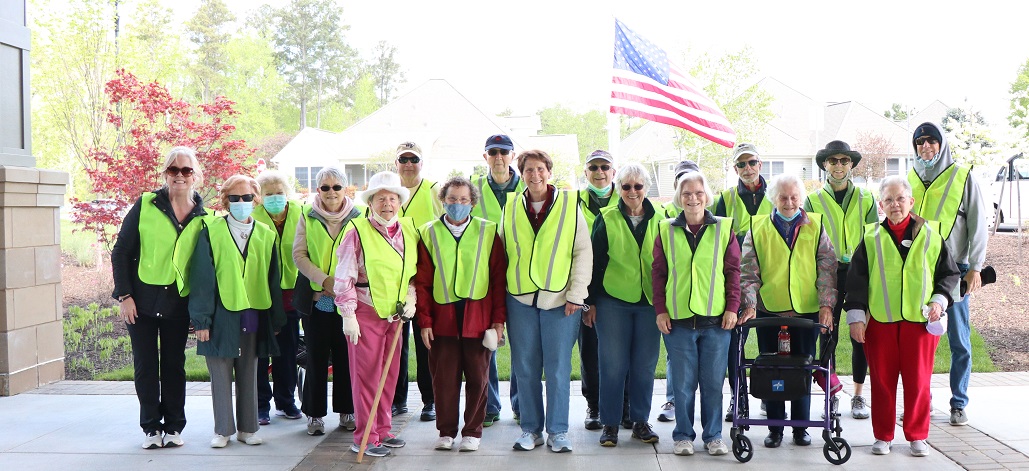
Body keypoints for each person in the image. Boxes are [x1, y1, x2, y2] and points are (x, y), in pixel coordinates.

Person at [844, 176, 960, 457]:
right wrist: (856, 317)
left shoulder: (932, 235)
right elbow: (856, 281)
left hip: (920, 324)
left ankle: (917, 436)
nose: (895, 204)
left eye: (900, 198)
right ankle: (883, 436)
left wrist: (939, 300)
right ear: (881, 205)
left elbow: (949, 274)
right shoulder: (870, 237)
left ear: (911, 201)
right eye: (888, 200)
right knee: (882, 382)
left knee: (918, 381)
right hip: (880, 323)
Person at [111, 146, 208, 449]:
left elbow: (205, 267)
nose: (180, 175)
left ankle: (174, 426)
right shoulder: (146, 204)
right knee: (145, 365)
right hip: (140, 299)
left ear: (196, 175)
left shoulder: (205, 216)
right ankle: (151, 427)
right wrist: (124, 295)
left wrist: (201, 309)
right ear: (165, 173)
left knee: (174, 365)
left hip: (179, 302)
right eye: (173, 170)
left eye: (186, 170)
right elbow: (121, 252)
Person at [182, 174, 287, 448]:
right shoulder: (212, 230)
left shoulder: (265, 234)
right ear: (226, 201)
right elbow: (201, 279)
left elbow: (273, 278)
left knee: (249, 370)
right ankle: (223, 430)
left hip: (253, 310)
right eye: (235, 198)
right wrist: (201, 320)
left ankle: (248, 429)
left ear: (256, 199)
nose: (242, 202)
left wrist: (276, 318)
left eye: (247, 197)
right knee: (219, 370)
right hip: (220, 313)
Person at [502, 150, 592, 453]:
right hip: (520, 298)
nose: (535, 175)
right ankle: (531, 429)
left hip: (560, 300)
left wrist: (577, 296)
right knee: (525, 368)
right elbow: (503, 250)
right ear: (522, 173)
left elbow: (582, 252)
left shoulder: (569, 204)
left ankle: (558, 431)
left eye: (540, 169)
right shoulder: (511, 205)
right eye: (529, 170)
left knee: (557, 369)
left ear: (549, 172)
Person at [739, 173, 837, 449]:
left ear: (801, 198)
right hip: (770, 310)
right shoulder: (758, 227)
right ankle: (775, 428)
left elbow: (827, 268)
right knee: (773, 369)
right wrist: (749, 304)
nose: (789, 202)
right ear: (774, 198)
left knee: (803, 368)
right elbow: (748, 271)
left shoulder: (815, 226)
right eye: (783, 197)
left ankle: (800, 428)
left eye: (794, 197)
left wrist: (826, 305)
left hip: (806, 312)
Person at [413, 176, 507, 452]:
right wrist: (425, 322)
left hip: (478, 317)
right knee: (444, 379)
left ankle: (472, 431)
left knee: (479, 378)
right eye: (452, 199)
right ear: (443, 200)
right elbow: (422, 282)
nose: (457, 204)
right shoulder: (427, 232)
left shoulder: (488, 231)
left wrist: (498, 320)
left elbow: (498, 280)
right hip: (442, 318)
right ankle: (446, 431)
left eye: (463, 200)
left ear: (472, 203)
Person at [652, 168, 741, 457]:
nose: (693, 199)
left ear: (707, 196)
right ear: (679, 197)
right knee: (683, 385)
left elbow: (733, 273)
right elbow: (658, 274)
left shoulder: (724, 229)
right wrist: (661, 310)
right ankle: (682, 437)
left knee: (714, 383)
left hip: (716, 321)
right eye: (687, 193)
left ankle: (714, 436)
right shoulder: (666, 230)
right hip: (677, 322)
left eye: (698, 193)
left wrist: (732, 308)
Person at [907, 122, 988, 426]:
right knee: (920, 342)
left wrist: (976, 268)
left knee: (959, 341)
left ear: (942, 144)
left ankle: (958, 403)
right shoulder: (910, 178)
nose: (926, 147)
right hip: (919, 272)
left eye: (932, 141)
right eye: (920, 142)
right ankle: (921, 403)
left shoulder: (964, 177)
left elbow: (979, 225)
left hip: (956, 270)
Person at [334, 171, 418, 458]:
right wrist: (348, 314)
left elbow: (411, 272)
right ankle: (364, 436)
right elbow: (343, 277)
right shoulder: (356, 231)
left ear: (399, 202)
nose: (388, 204)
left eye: (392, 198)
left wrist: (411, 296)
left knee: (389, 375)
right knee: (367, 377)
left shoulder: (407, 230)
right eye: (381, 198)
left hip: (395, 315)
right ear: (370, 202)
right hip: (365, 312)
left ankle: (382, 429)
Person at [585, 163, 662, 447]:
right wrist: (589, 303)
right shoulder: (606, 218)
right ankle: (610, 424)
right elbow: (593, 263)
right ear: (619, 188)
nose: (632, 192)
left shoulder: (663, 218)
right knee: (612, 365)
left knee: (644, 365)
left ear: (646, 188)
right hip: (612, 302)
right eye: (627, 186)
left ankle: (641, 421)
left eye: (638, 186)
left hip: (650, 304)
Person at [803, 140, 877, 420]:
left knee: (860, 334)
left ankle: (858, 395)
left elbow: (873, 239)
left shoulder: (867, 199)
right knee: (826, 335)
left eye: (844, 161)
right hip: (828, 273)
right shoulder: (812, 200)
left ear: (851, 165)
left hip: (859, 273)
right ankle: (831, 394)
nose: (838, 166)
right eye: (832, 161)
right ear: (824, 165)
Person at [292, 167, 362, 436]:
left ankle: (348, 410)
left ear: (346, 189)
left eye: (336, 187)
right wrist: (325, 281)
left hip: (350, 301)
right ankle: (314, 415)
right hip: (316, 299)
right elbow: (299, 255)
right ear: (317, 190)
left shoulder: (359, 217)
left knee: (346, 357)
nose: (331, 192)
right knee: (315, 358)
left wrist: (343, 284)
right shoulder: (306, 216)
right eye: (325, 187)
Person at [714, 143, 773, 421]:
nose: (747, 169)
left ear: (760, 164)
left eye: (751, 163)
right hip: (737, 280)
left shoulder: (776, 194)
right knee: (734, 344)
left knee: (771, 345)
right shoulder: (725, 199)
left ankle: (770, 397)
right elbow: (717, 240)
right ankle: (738, 398)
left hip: (773, 280)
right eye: (741, 165)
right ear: (734, 169)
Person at [472, 134, 525, 426]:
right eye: (493, 152)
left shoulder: (528, 187)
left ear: (512, 155)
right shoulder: (475, 189)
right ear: (485, 157)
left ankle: (520, 404)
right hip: (484, 279)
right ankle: (490, 406)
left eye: (504, 152)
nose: (499, 157)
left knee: (521, 344)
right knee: (486, 343)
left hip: (521, 276)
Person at [392, 141, 443, 422]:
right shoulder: (389, 192)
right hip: (395, 279)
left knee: (427, 340)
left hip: (426, 278)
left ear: (421, 163)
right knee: (396, 342)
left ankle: (430, 400)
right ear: (396, 163)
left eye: (414, 159)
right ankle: (398, 399)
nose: (409, 164)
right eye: (403, 159)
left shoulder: (433, 190)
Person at [576, 149, 626, 430]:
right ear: (586, 172)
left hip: (620, 288)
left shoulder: (628, 199)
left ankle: (626, 406)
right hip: (585, 287)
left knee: (623, 351)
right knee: (591, 349)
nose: (599, 172)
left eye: (605, 166)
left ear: (613, 172)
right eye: (593, 167)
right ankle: (594, 406)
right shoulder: (573, 202)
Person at [253, 170, 304, 426]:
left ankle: (286, 402)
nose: (274, 198)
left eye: (279, 193)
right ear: (260, 197)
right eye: (269, 194)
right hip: (261, 293)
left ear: (287, 194)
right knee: (261, 352)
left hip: (292, 294)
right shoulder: (252, 215)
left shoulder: (300, 213)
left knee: (287, 351)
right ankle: (261, 405)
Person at [654, 159, 702, 424]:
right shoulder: (664, 217)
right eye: (683, 183)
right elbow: (659, 267)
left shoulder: (713, 218)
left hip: (707, 306)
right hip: (676, 302)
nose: (691, 197)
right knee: (675, 356)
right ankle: (673, 399)